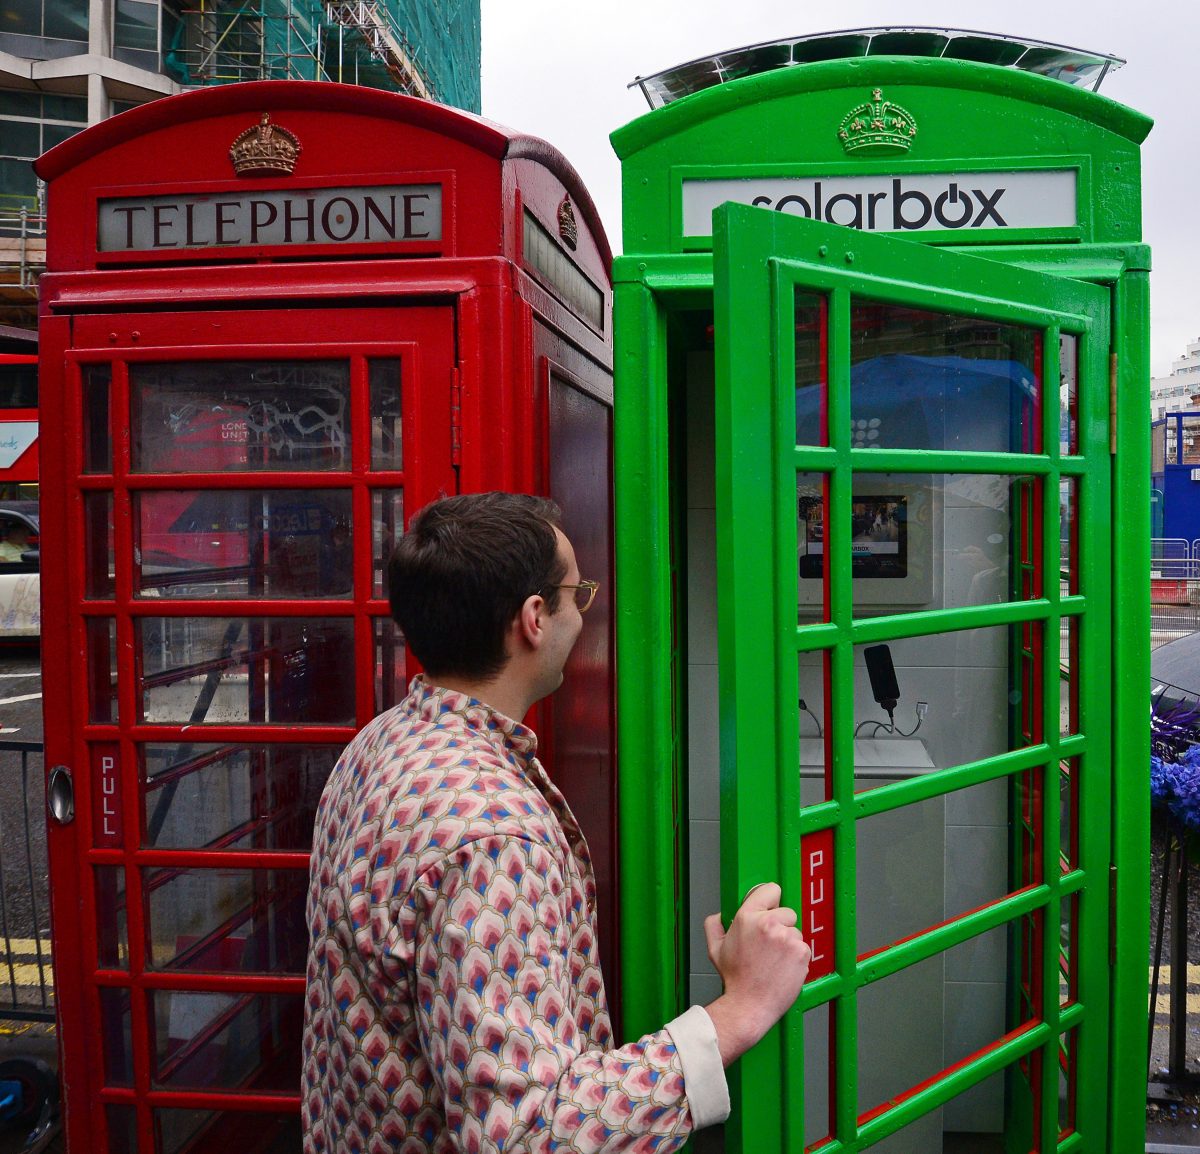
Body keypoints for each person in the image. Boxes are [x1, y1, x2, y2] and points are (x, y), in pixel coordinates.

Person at [302, 491, 811, 1152]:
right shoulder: (493, 840)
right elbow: (530, 1134)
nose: (583, 613)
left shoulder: (377, 744)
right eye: (577, 594)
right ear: (534, 619)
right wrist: (739, 1011)